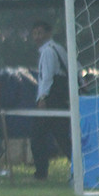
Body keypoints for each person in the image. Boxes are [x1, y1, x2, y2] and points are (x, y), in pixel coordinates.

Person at [31, 21, 71, 180]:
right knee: (62, 137)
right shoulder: (58, 48)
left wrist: (42, 98)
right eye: (35, 34)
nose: (37, 37)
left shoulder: (48, 51)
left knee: (37, 137)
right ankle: (79, 166)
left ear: (49, 33)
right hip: (59, 99)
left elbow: (47, 77)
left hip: (50, 99)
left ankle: (40, 173)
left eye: (40, 33)